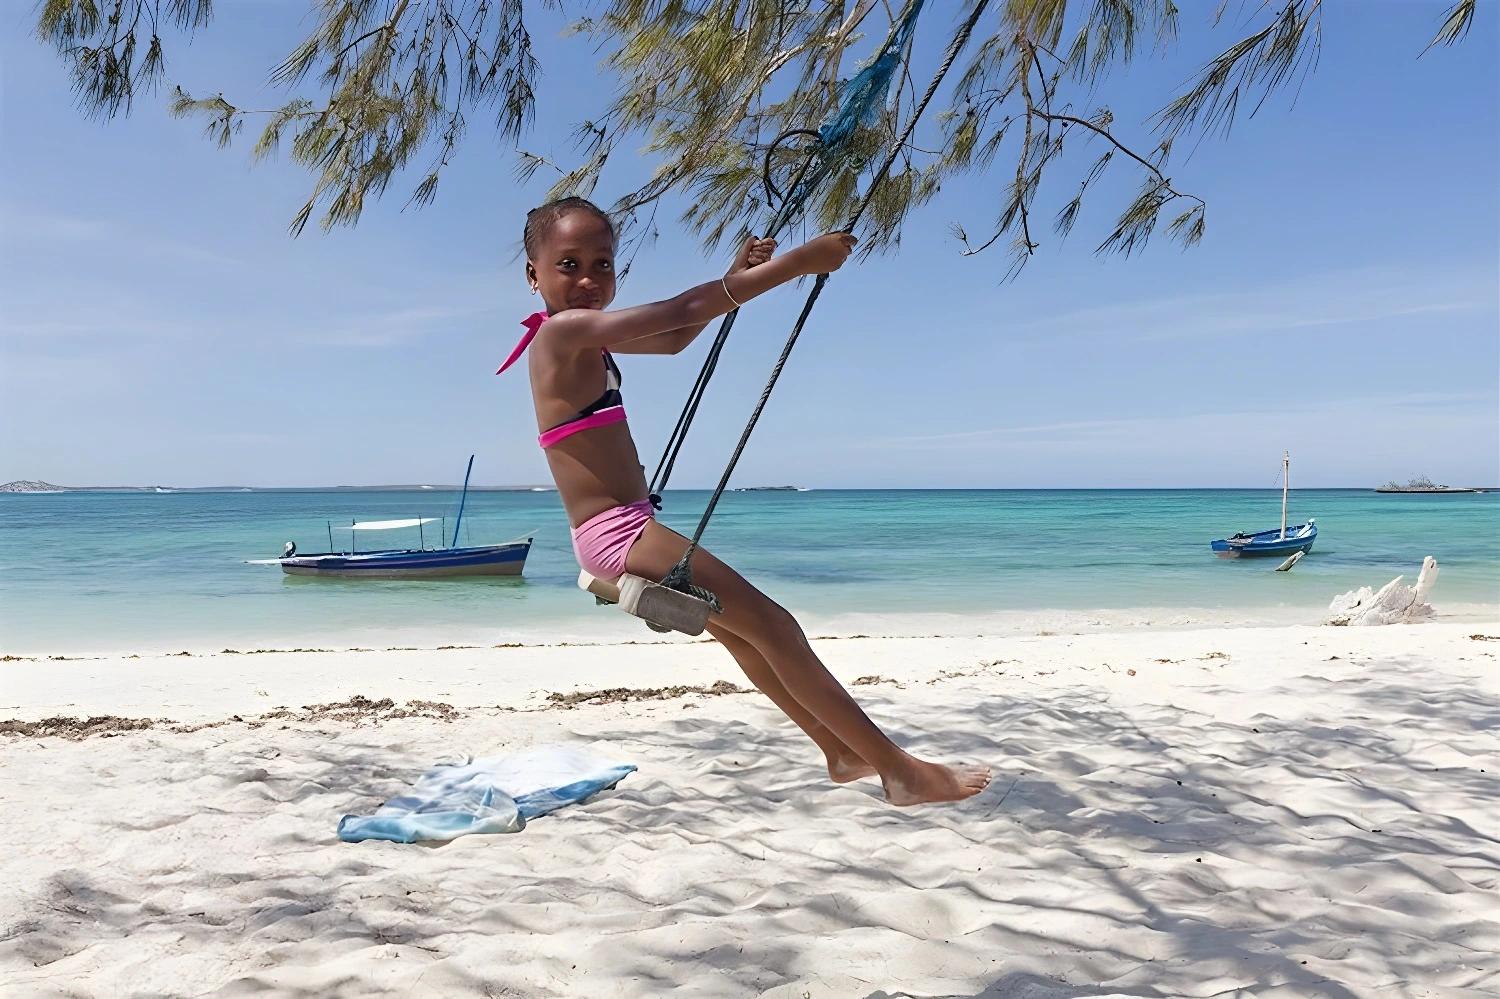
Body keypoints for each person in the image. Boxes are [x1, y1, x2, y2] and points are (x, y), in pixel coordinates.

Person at [501, 196, 991, 806]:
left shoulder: (582, 341)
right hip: (618, 534)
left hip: (619, 528)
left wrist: (737, 277)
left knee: (745, 635)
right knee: (778, 628)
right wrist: (796, 265)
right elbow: (680, 306)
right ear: (534, 275)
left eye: (603, 264)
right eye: (568, 264)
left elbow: (678, 335)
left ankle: (838, 750)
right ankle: (900, 771)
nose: (588, 279)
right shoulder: (562, 334)